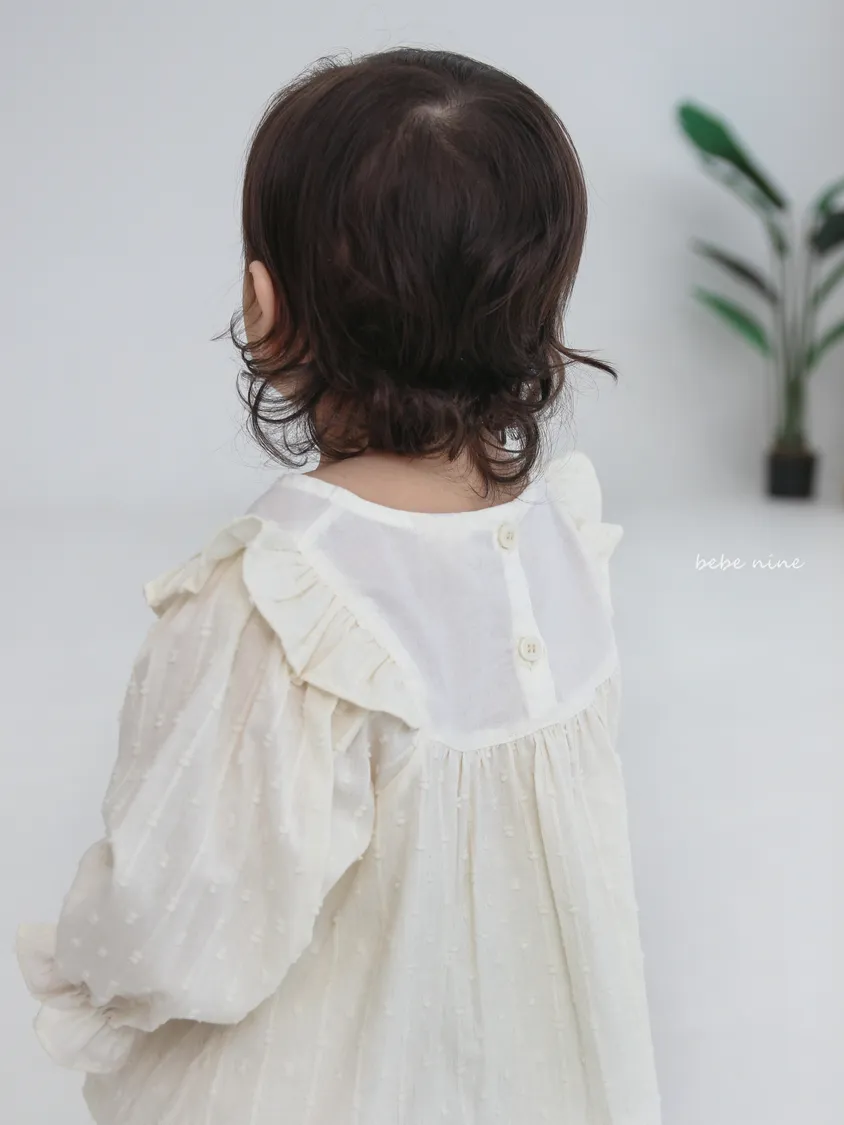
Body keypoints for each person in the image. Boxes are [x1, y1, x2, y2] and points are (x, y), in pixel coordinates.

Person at [16, 46, 662, 1125]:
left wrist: (92, 963)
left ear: (263, 305)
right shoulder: (563, 546)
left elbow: (181, 917)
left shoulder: (281, 603)